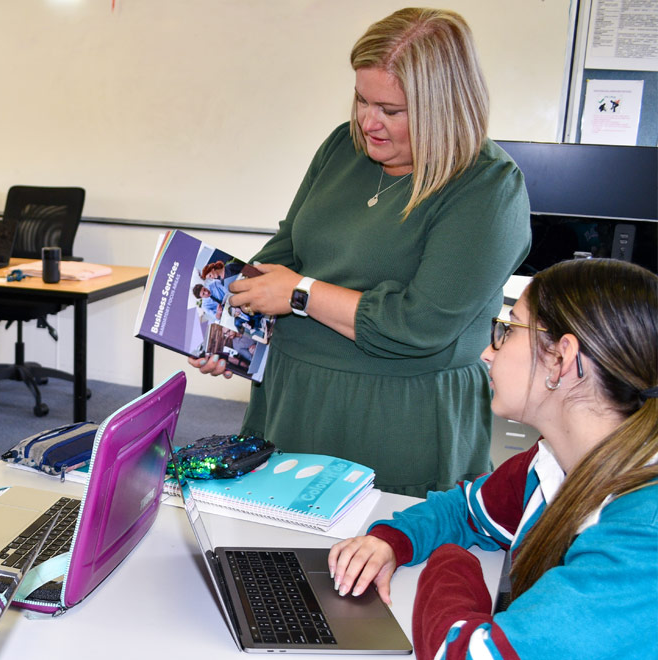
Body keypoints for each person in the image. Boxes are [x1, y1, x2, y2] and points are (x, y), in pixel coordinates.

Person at [195, 8, 530, 496]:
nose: (367, 122)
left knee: (381, 556)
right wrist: (231, 334)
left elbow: (419, 325)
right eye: (360, 100)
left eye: (391, 110)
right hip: (292, 396)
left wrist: (301, 294)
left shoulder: (487, 187)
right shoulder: (342, 147)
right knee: (268, 553)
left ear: (444, 107)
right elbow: (285, 253)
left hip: (399, 416)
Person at [328, 258, 658, 659]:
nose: (487, 352)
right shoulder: (555, 459)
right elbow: (469, 511)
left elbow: (470, 654)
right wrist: (392, 542)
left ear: (562, 358)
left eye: (508, 329)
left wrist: (452, 563)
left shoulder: (643, 535)